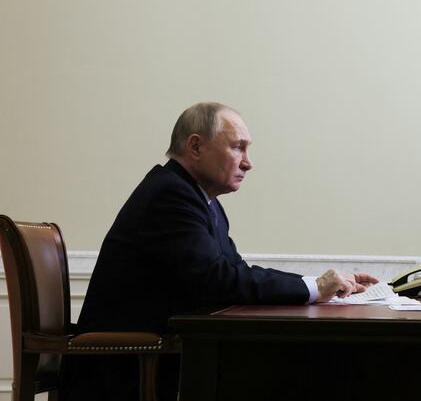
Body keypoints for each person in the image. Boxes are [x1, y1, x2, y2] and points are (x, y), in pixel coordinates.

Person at [62, 103, 379, 400]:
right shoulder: (170, 195)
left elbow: (234, 270)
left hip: (167, 354)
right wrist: (314, 287)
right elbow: (218, 279)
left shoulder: (200, 200)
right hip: (130, 367)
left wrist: (320, 284)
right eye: (238, 146)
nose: (248, 162)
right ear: (196, 147)